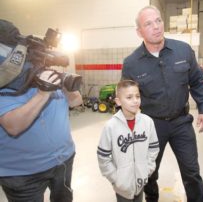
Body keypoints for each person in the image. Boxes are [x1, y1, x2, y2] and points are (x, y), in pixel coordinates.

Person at [121, 5, 203, 202]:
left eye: (158, 21)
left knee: (192, 172)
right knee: (149, 173)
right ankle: (152, 199)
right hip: (151, 126)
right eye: (148, 23)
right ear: (139, 32)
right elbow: (128, 99)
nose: (156, 27)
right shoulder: (131, 63)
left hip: (181, 122)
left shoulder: (183, 50)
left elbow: (197, 81)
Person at [0, 70, 83, 202]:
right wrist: (43, 93)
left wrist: (64, 84)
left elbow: (76, 101)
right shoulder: (4, 79)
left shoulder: (47, 74)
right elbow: (13, 126)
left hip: (63, 160)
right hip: (23, 173)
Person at [97, 80, 159, 202]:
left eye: (137, 96)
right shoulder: (110, 126)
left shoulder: (148, 122)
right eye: (129, 97)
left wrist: (147, 170)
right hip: (122, 187)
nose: (135, 100)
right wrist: (116, 179)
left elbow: (153, 148)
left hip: (141, 181)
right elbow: (103, 157)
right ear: (118, 101)